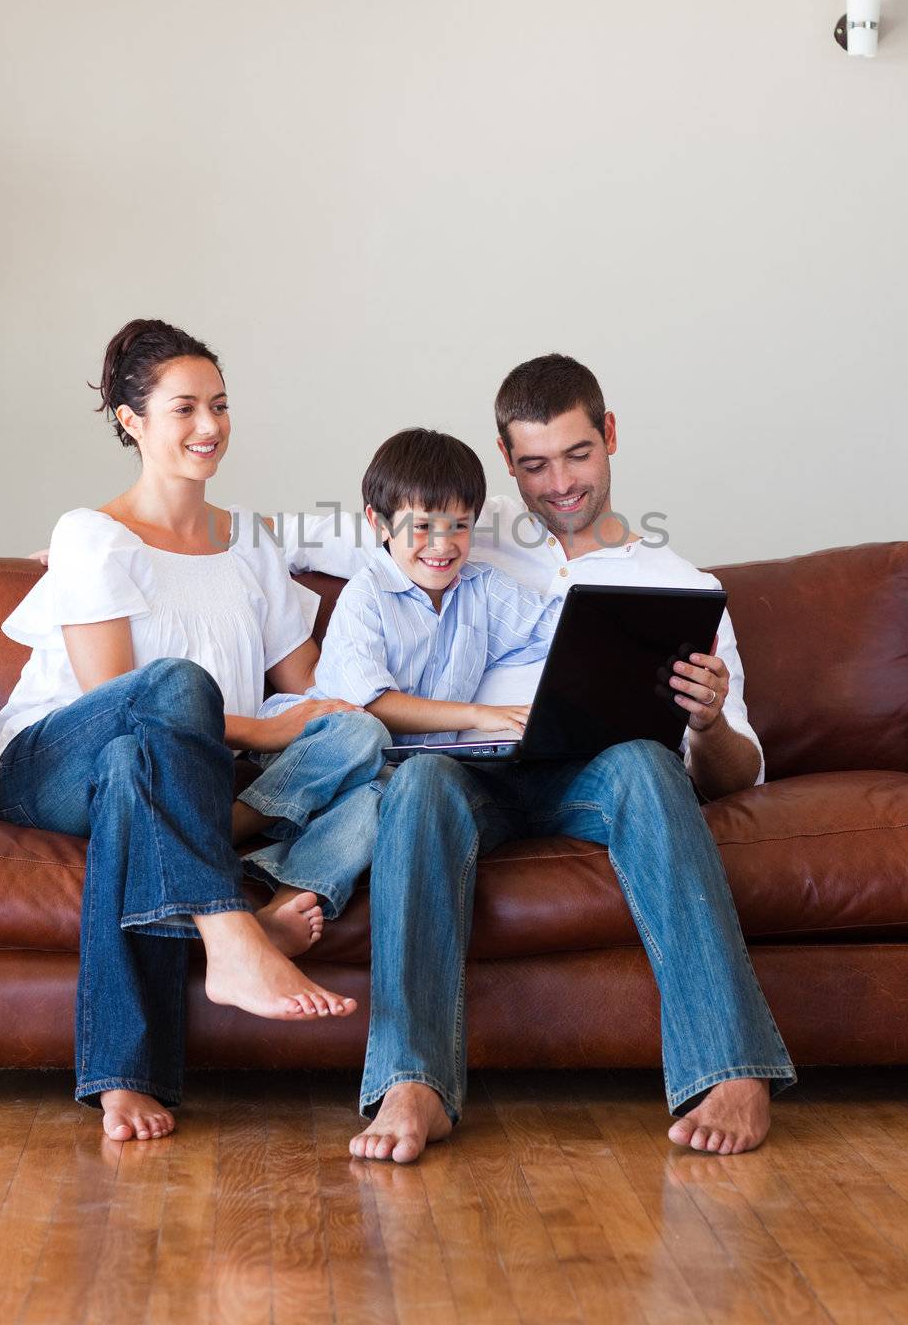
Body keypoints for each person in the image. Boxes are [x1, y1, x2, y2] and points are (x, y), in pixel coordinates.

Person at [284, 354, 797, 1162]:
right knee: (415, 781)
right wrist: (139, 547)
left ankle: (730, 1068)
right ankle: (412, 1081)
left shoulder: (677, 582)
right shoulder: (459, 536)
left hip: (599, 775)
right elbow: (306, 536)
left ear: (610, 436)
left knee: (646, 761)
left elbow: (737, 774)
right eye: (532, 464)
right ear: (503, 459)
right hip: (469, 775)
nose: (558, 483)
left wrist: (704, 722)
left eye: (577, 454)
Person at [0, 318, 390, 1142]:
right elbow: (117, 701)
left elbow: (307, 693)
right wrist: (274, 736)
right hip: (51, 760)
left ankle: (124, 1079)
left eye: (220, 405)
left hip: (167, 775)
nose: (209, 427)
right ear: (131, 422)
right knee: (166, 695)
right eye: (183, 409)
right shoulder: (90, 535)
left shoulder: (250, 543)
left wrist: (324, 717)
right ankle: (230, 928)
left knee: (360, 742)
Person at [240, 427, 560, 917]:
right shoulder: (366, 594)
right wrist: (480, 715)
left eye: (459, 525)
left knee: (378, 799)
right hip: (321, 751)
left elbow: (556, 628)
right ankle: (238, 819)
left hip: (390, 773)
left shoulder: (483, 589)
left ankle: (288, 903)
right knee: (361, 733)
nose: (442, 544)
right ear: (380, 524)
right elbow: (370, 705)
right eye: (423, 526)